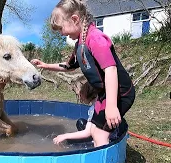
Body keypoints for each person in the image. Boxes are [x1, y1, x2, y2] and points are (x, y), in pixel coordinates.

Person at [31, 0, 135, 147]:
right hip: (104, 94)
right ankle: (114, 132)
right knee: (92, 128)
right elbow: (69, 66)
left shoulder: (95, 38)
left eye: (61, 29)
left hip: (120, 93)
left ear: (74, 19)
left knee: (100, 132)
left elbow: (111, 70)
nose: (61, 33)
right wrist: (45, 65)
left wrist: (112, 106)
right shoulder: (81, 43)